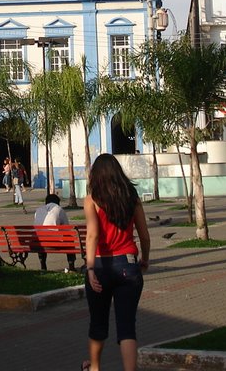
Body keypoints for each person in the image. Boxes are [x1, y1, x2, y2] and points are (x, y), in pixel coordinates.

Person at [82, 154, 150, 371]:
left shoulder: (92, 200)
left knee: (98, 323)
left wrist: (90, 268)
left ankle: (94, 367)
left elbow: (92, 235)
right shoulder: (132, 197)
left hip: (101, 266)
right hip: (128, 266)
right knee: (127, 326)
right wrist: (144, 259)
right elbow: (144, 234)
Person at [34, 193, 76, 271]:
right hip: (54, 243)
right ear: (58, 202)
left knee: (41, 236)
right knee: (70, 239)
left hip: (38, 244)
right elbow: (67, 229)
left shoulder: (38, 210)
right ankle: (71, 265)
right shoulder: (59, 209)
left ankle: (43, 264)